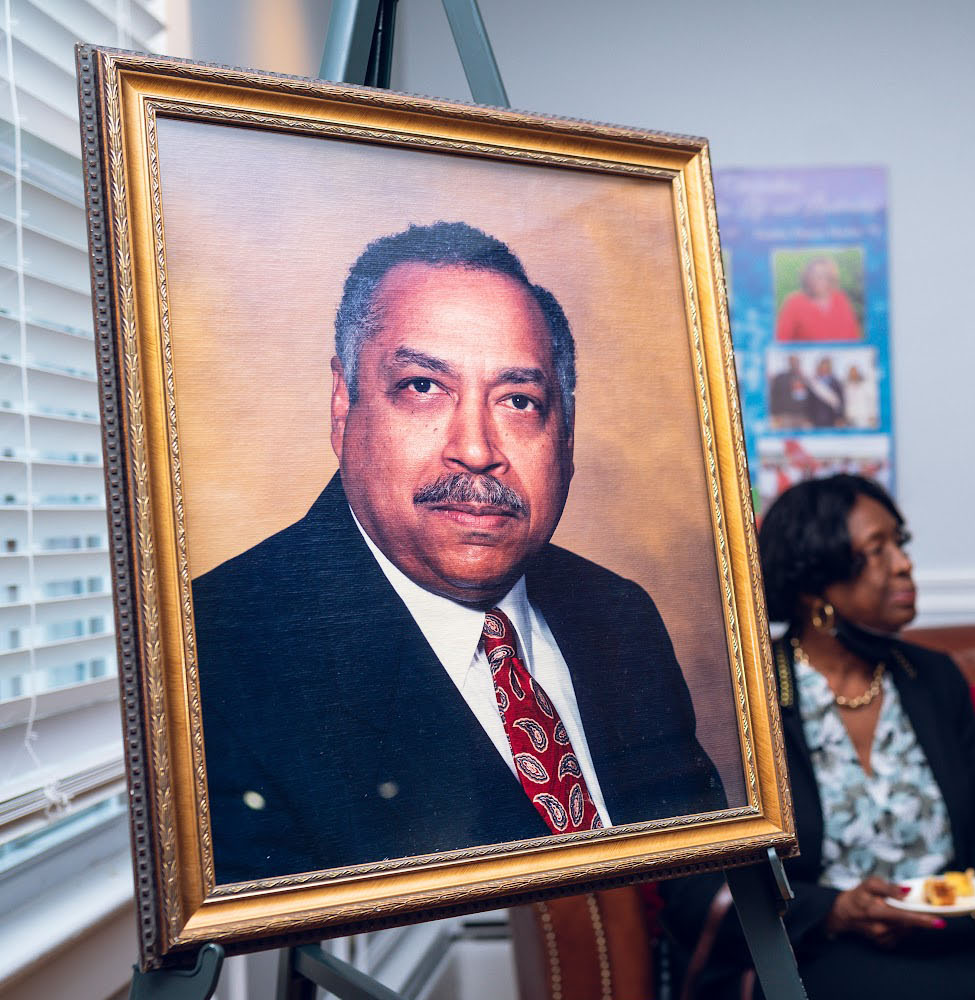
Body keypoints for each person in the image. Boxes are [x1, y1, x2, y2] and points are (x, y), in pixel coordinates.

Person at [194, 221, 726, 883]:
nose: (475, 448)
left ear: (565, 437)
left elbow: (707, 894)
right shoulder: (215, 651)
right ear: (342, 403)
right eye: (422, 387)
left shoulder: (617, 615)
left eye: (519, 400)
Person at [662, 474, 975, 1000]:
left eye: (900, 544)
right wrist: (836, 911)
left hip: (946, 931)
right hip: (818, 943)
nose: (905, 565)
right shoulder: (743, 699)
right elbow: (698, 883)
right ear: (816, 588)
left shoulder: (931, 678)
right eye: (877, 551)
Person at [774, 255, 861, 342]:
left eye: (824, 275)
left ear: (831, 278)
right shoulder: (794, 302)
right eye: (814, 275)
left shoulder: (841, 299)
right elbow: (781, 340)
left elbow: (854, 336)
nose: (819, 279)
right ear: (807, 278)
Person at [767, 352, 814, 428]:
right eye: (792, 361)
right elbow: (775, 396)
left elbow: (810, 399)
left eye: (796, 361)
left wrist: (809, 416)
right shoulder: (780, 377)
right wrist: (775, 414)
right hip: (785, 415)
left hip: (801, 416)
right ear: (789, 362)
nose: (794, 363)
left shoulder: (805, 378)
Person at [805, 355, 846, 427]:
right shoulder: (814, 382)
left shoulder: (836, 382)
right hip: (816, 417)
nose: (824, 368)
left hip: (832, 417)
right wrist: (809, 418)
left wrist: (840, 417)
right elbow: (809, 401)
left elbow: (840, 401)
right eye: (823, 366)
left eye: (826, 366)